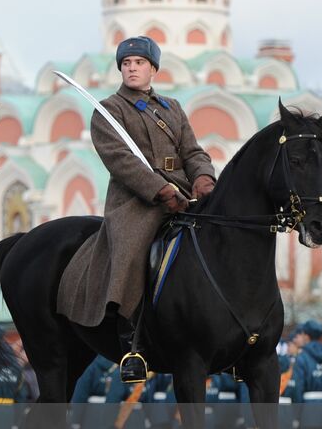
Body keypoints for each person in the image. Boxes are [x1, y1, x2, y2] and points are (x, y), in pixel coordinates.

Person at [56, 36, 216, 382]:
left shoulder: (172, 107)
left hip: (186, 193)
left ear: (153, 69)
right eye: (126, 64)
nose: (132, 68)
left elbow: (192, 151)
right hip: (136, 200)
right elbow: (120, 160)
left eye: (139, 63)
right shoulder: (109, 110)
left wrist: (204, 177)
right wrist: (159, 190)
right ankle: (133, 341)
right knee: (133, 248)